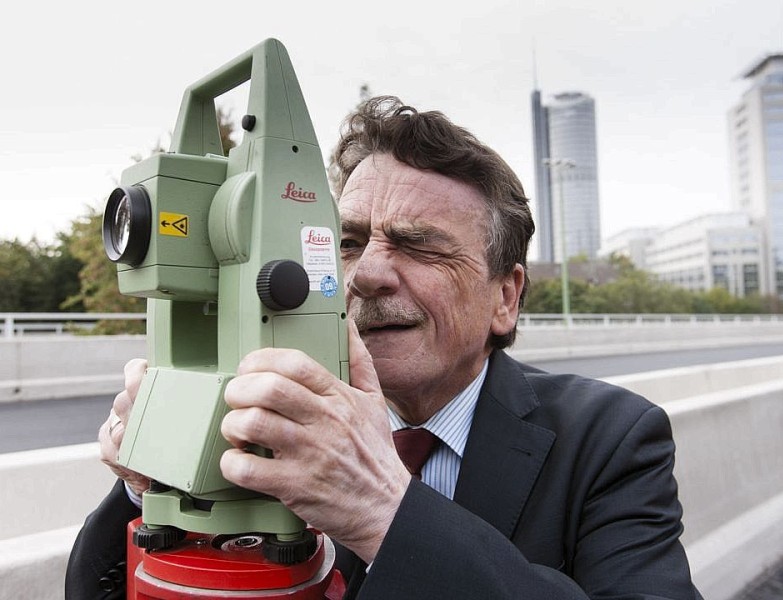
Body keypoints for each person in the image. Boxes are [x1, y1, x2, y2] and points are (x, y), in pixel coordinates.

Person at [66, 96, 702, 599]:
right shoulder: (259, 418)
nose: (365, 274)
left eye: (419, 245)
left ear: (505, 298)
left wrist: (383, 512)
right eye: (346, 242)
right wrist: (152, 490)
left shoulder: (613, 439)